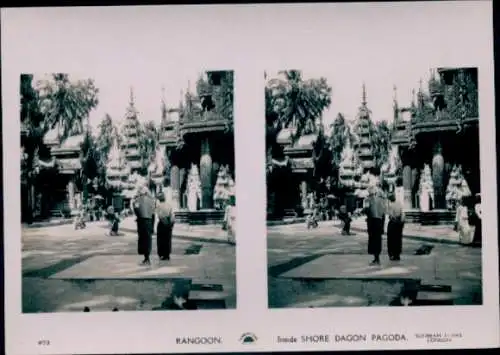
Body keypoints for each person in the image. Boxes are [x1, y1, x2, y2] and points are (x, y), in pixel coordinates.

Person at [133, 184, 156, 265]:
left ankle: (146, 258)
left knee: (142, 239)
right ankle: (147, 257)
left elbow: (136, 210)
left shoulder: (136, 200)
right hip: (149, 221)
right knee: (148, 239)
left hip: (141, 221)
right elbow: (153, 214)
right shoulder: (152, 200)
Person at [364, 185, 387, 265]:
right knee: (378, 240)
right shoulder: (382, 201)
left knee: (373, 240)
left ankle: (376, 259)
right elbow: (383, 214)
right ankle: (377, 258)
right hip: (380, 221)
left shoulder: (368, 199)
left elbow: (367, 210)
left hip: (372, 222)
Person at [156, 193, 175, 261]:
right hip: (168, 222)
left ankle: (162, 254)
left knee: (161, 239)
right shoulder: (169, 205)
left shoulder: (158, 206)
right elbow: (172, 215)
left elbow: (160, 216)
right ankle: (167, 254)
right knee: (168, 239)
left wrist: (165, 223)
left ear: (159, 199)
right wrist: (171, 224)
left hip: (162, 223)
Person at [386, 193, 405, 261]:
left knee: (391, 239)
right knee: (398, 239)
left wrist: (394, 219)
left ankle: (392, 254)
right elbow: (403, 213)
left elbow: (391, 215)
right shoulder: (399, 203)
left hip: (393, 223)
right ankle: (397, 254)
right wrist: (401, 221)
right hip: (399, 222)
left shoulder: (390, 205)